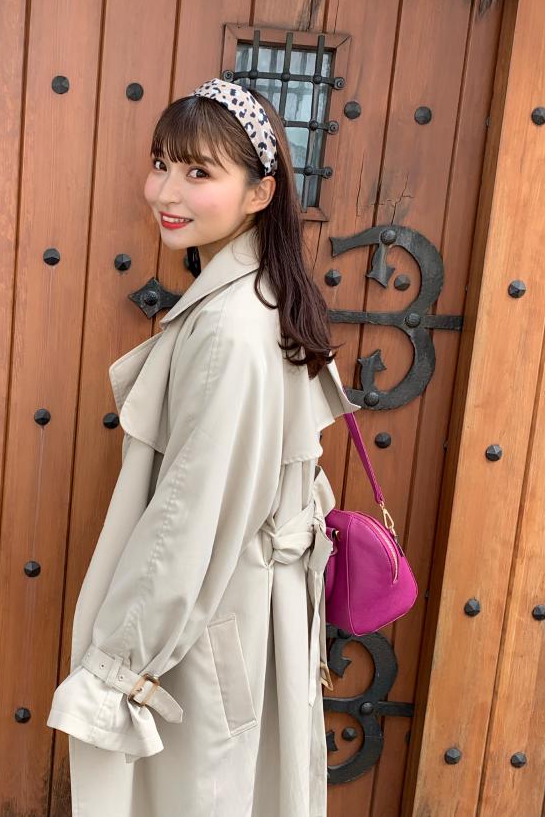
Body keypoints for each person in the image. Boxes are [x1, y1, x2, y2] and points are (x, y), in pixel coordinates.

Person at [46, 77, 361, 816]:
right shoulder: (261, 296)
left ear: (259, 193)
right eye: (162, 164)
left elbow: (188, 518)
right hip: (237, 611)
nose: (166, 191)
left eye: (198, 172)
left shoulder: (230, 328)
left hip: (209, 619)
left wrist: (117, 668)